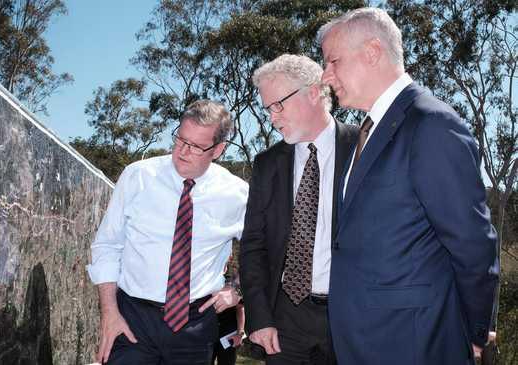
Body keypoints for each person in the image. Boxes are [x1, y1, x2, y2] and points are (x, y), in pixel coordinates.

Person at [318, 7, 499, 365]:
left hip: (414, 344)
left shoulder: (431, 125)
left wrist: (473, 331)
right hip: (364, 341)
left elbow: (472, 244)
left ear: (372, 52)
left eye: (332, 61)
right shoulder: (367, 133)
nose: (325, 76)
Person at [87, 100, 248, 364]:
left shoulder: (237, 194)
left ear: (218, 149)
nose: (183, 152)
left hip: (196, 326)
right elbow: (107, 245)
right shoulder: (137, 176)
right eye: (180, 139)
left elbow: (264, 250)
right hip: (132, 320)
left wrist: (238, 291)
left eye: (196, 146)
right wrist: (109, 314)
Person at [239, 54, 358, 365]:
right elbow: (253, 246)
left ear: (314, 91)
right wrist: (260, 317)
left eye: (279, 104)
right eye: (268, 109)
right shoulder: (267, 164)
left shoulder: (364, 146)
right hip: (285, 322)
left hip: (352, 318)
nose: (273, 117)